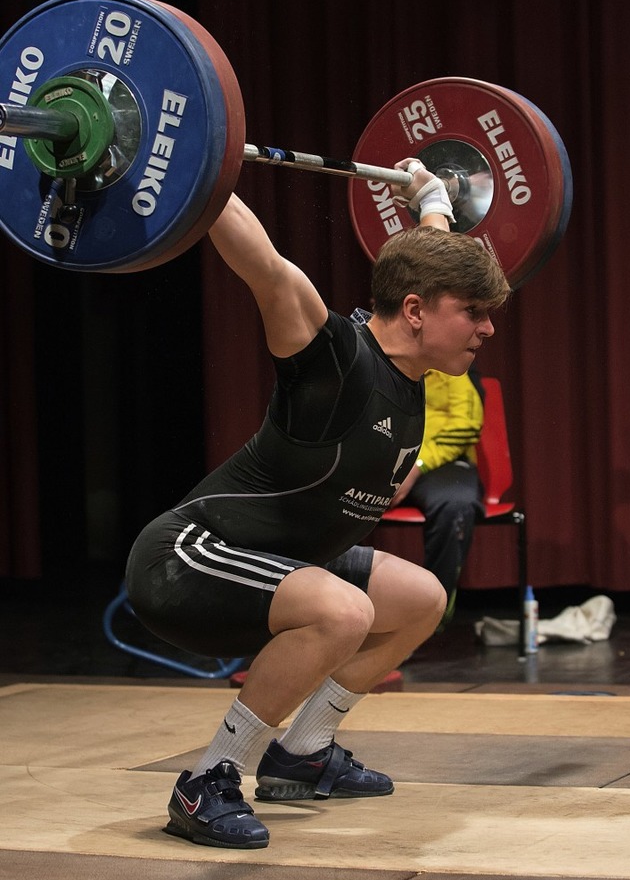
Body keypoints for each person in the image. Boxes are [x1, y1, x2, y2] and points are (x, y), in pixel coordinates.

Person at [125, 158, 511, 850]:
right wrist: (196, 161)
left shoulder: (415, 360)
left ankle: (301, 751)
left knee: (422, 597)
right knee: (345, 609)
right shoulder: (333, 357)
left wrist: (431, 200)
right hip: (187, 559)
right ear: (418, 312)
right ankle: (209, 778)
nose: (487, 329)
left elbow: (426, 263)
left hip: (285, 560)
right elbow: (266, 266)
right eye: (474, 313)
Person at [387, 365, 485, 629]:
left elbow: (466, 423)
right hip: (379, 458)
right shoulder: (370, 359)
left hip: (437, 464)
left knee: (455, 505)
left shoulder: (450, 364)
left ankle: (430, 615)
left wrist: (416, 465)